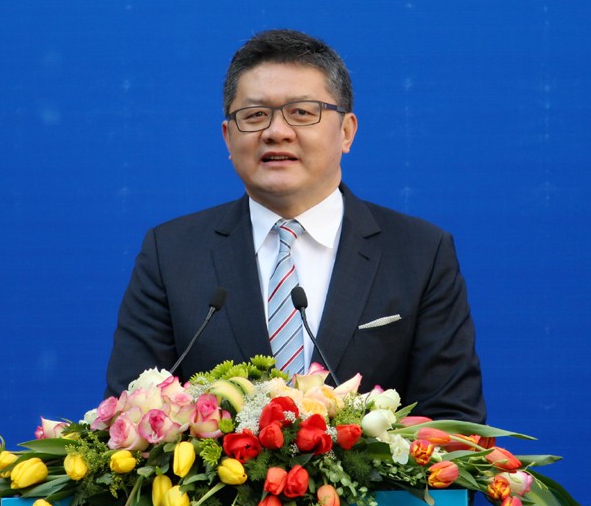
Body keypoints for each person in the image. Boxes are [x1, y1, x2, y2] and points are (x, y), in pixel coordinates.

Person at [106, 29, 485, 422]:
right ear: (228, 138)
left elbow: (452, 422)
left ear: (346, 132)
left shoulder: (420, 253)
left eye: (302, 112)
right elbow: (132, 416)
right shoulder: (171, 254)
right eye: (254, 115)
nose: (276, 132)